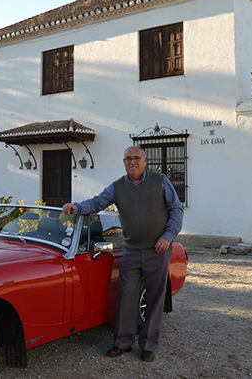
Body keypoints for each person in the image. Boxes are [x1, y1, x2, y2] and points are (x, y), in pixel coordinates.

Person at [62, 146, 183, 362]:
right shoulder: (118, 187)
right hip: (131, 250)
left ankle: (148, 345)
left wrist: (168, 236)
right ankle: (123, 342)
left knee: (155, 298)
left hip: (158, 249)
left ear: (145, 161)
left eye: (137, 158)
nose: (132, 162)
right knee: (126, 297)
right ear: (124, 161)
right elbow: (97, 202)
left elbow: (176, 208)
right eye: (128, 159)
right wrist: (76, 207)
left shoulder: (160, 180)